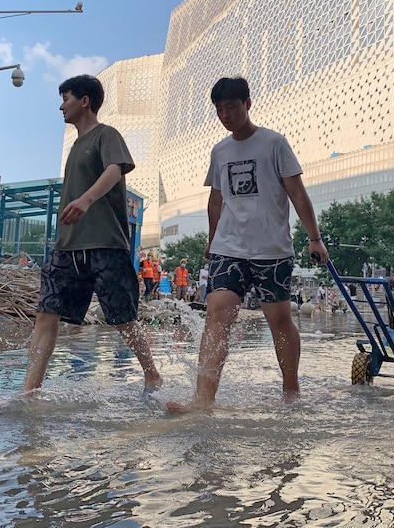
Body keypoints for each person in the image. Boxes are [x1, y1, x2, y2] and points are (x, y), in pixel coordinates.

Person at [167, 77, 328, 413]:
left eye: (232, 107)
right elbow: (216, 199)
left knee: (279, 319)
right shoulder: (220, 150)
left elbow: (297, 193)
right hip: (229, 247)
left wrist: (315, 238)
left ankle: (291, 391)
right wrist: (212, 241)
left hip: (272, 249)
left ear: (248, 105)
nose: (226, 115)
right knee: (217, 312)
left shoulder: (274, 143)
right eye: (220, 109)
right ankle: (203, 399)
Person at [22, 74, 162, 396]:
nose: (61, 106)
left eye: (66, 98)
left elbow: (115, 169)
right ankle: (30, 390)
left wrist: (86, 200)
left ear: (85, 101)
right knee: (47, 314)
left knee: (123, 318)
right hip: (67, 247)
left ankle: (152, 374)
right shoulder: (73, 147)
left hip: (105, 244)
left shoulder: (105, 135)